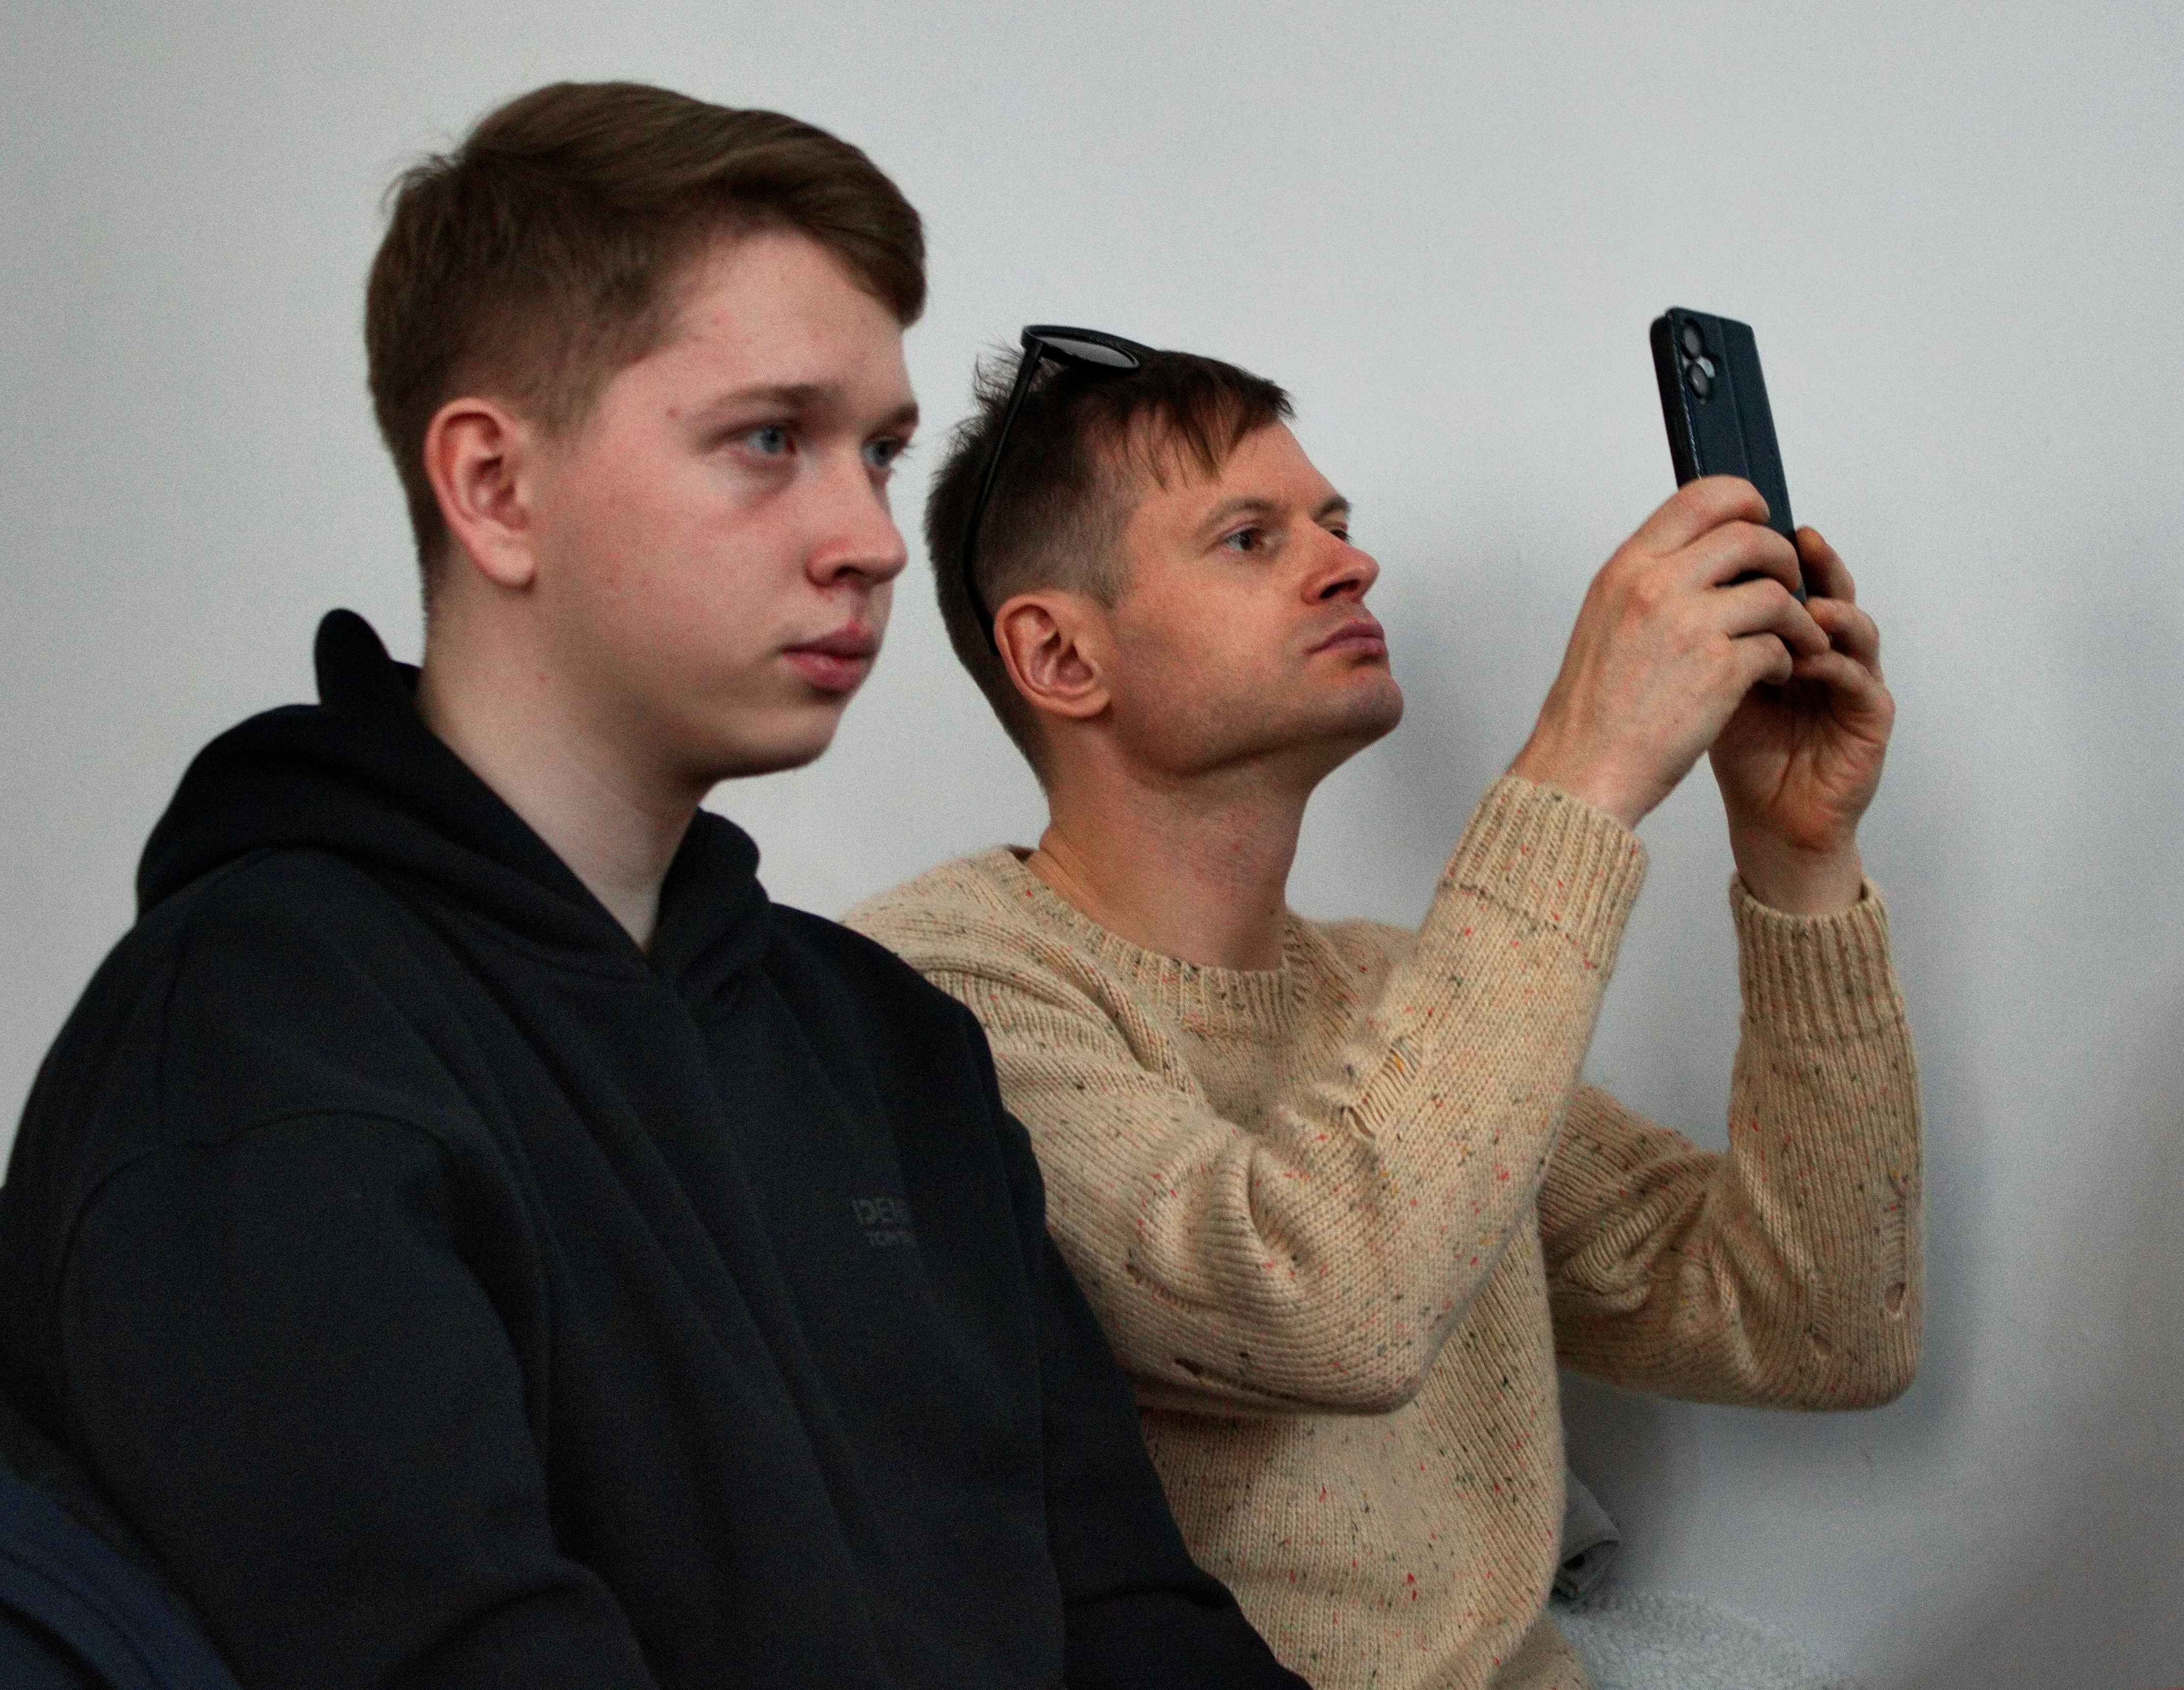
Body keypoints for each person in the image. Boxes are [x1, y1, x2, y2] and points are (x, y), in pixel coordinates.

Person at [0, 98, 1306, 1690]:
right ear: (495, 485)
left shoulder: (891, 1042)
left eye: (880, 452)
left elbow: (1129, 1613)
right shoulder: (254, 1049)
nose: (872, 539)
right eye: (769, 440)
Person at [848, 331, 1922, 1689]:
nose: (1347, 564)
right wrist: (1584, 763)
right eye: (1250, 537)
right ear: (1061, 654)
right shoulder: (928, 993)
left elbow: (1820, 1328)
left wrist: (1797, 857)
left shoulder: (1392, 992)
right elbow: (1326, 1306)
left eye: (1338, 525)